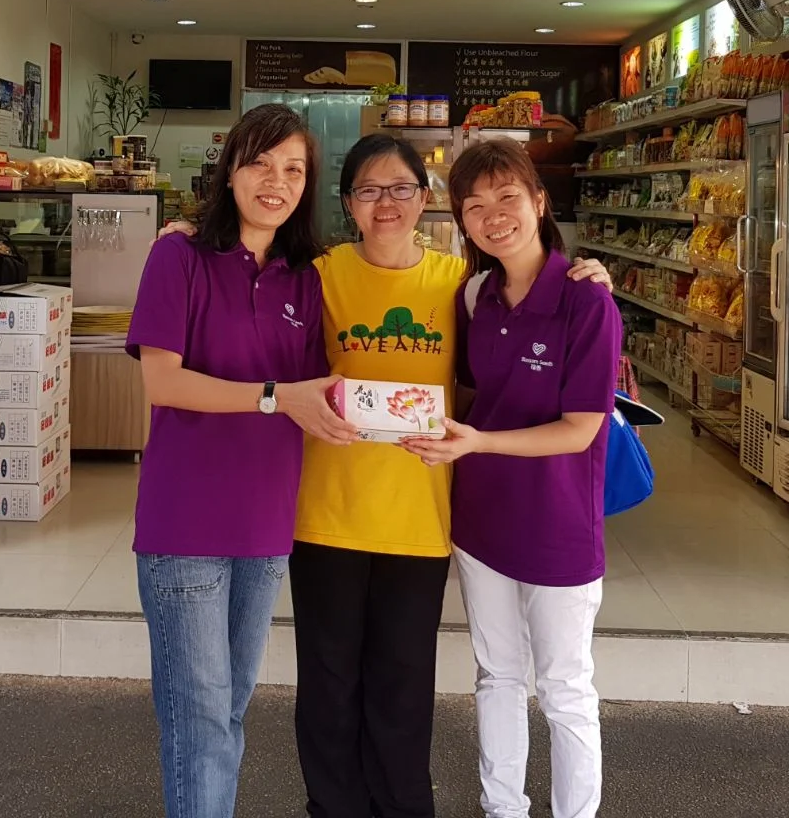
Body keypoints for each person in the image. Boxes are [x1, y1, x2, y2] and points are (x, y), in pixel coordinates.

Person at [157, 132, 612, 818]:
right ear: (347, 204)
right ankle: (333, 807)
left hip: (418, 518)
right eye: (369, 190)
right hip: (327, 511)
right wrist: (190, 231)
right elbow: (248, 257)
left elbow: (488, 374)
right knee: (330, 682)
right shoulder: (319, 271)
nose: (386, 203)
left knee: (402, 685)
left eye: (401, 188)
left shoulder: (461, 286)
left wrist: (588, 272)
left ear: (427, 202)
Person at [125, 103, 359, 818]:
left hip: (265, 523)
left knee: (228, 705)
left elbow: (316, 389)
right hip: (186, 521)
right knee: (197, 713)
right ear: (229, 170)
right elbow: (162, 382)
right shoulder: (180, 256)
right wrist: (272, 397)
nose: (276, 182)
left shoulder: (305, 278)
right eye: (260, 162)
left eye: (294, 170)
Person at [404, 137, 623, 818]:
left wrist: (480, 442)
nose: (493, 215)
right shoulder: (476, 298)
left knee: (563, 687)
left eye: (507, 198)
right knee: (496, 676)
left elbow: (581, 427)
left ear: (539, 201)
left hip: (559, 526)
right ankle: (503, 808)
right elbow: (467, 394)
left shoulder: (587, 302)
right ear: (462, 222)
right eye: (474, 206)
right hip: (481, 524)